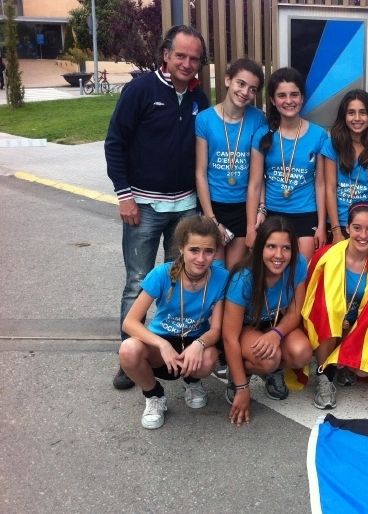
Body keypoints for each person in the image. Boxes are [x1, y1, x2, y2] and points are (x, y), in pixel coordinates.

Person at [106, 25, 210, 390]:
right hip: (143, 206)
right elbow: (115, 143)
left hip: (185, 206)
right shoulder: (141, 90)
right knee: (138, 281)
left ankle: (177, 355)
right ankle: (129, 355)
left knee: (180, 280)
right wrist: (125, 195)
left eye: (194, 58)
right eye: (180, 55)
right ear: (165, 54)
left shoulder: (199, 99)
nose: (186, 63)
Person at [118, 216, 228, 429]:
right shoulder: (162, 274)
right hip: (161, 342)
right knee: (128, 350)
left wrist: (199, 344)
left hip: (195, 338)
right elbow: (130, 323)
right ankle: (154, 395)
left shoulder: (221, 276)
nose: (201, 258)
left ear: (215, 252)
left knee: (208, 359)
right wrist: (162, 344)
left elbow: (216, 329)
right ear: (181, 248)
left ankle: (192, 381)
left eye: (208, 251)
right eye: (194, 250)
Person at [302, 201, 368, 410]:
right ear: (347, 228)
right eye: (357, 228)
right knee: (330, 310)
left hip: (355, 326)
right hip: (325, 323)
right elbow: (312, 301)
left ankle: (342, 361)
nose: (363, 235)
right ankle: (324, 375)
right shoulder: (326, 256)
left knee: (363, 371)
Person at [223, 216, 312, 426]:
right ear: (260, 247)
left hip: (275, 323)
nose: (279, 255)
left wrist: (276, 334)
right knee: (269, 359)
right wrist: (243, 388)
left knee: (302, 352)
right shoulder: (243, 278)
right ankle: (238, 374)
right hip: (247, 327)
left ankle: (273, 372)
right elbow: (229, 337)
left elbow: (295, 311)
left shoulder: (298, 263)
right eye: (271, 247)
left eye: (286, 248)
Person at [248, 67, 328, 261]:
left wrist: (322, 225)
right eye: (281, 96)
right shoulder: (262, 135)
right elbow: (255, 184)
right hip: (272, 214)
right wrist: (251, 227)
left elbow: (321, 184)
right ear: (274, 101)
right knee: (274, 273)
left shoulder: (319, 135)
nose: (289, 101)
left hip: (305, 214)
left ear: (302, 97)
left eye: (294, 94)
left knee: (302, 274)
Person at [195, 58, 265, 268]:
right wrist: (211, 219)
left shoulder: (258, 119)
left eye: (252, 89)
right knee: (214, 274)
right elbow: (200, 172)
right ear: (227, 80)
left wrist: (261, 209)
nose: (245, 92)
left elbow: (259, 174)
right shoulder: (205, 119)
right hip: (214, 206)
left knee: (234, 275)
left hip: (244, 208)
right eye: (241, 83)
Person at [322, 90, 368, 243]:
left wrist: (367, 228)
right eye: (351, 113)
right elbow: (330, 189)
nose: (357, 118)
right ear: (344, 116)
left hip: (363, 229)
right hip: (337, 225)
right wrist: (336, 230)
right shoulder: (332, 145)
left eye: (363, 113)